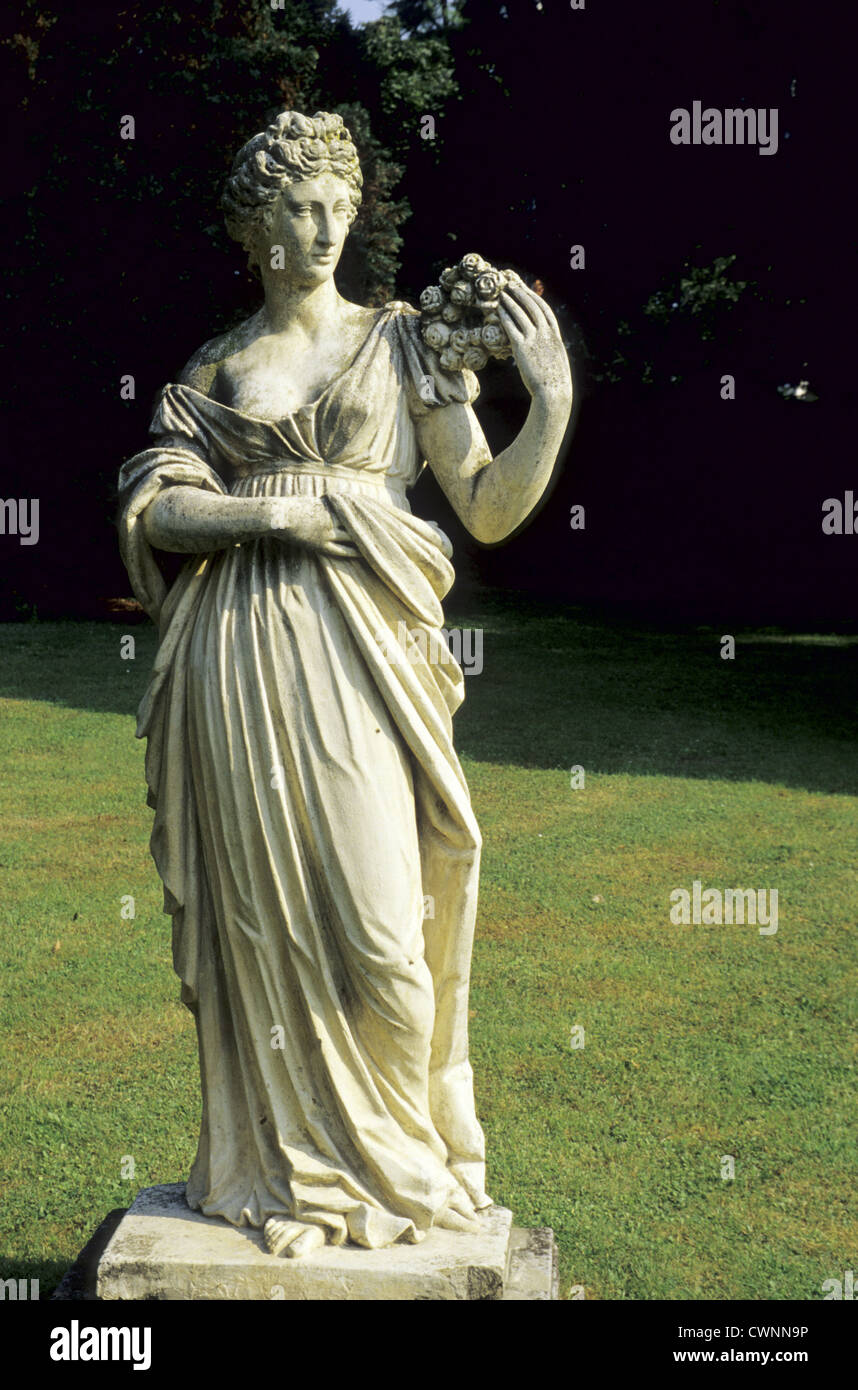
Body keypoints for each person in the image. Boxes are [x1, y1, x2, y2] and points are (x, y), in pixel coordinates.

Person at [118, 109, 572, 1259]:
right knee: (259, 925)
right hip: (238, 660)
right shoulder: (216, 367)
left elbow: (485, 504)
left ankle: (406, 1165)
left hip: (368, 660)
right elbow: (155, 506)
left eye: (337, 207)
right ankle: (282, 1175)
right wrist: (280, 511)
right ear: (255, 228)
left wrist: (550, 405)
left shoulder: (401, 342)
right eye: (298, 210)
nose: (323, 229)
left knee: (386, 931)